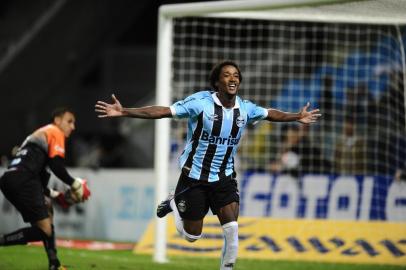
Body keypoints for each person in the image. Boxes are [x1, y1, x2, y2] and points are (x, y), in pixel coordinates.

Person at [95, 60, 321, 270]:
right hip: (193, 177)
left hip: (224, 177)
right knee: (192, 236)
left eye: (236, 75)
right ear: (217, 82)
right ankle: (174, 204)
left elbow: (270, 114)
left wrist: (296, 116)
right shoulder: (200, 103)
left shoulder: (245, 109)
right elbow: (164, 111)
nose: (232, 79)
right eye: (226, 75)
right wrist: (125, 111)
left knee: (232, 231)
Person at [0, 108, 91, 270]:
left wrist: (57, 195)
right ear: (57, 120)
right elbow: (57, 166)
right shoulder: (54, 132)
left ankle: (54, 263)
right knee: (44, 229)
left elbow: (41, 181)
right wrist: (74, 183)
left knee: (47, 211)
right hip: (24, 179)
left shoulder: (39, 137)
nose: (73, 127)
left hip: (11, 179)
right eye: (69, 121)